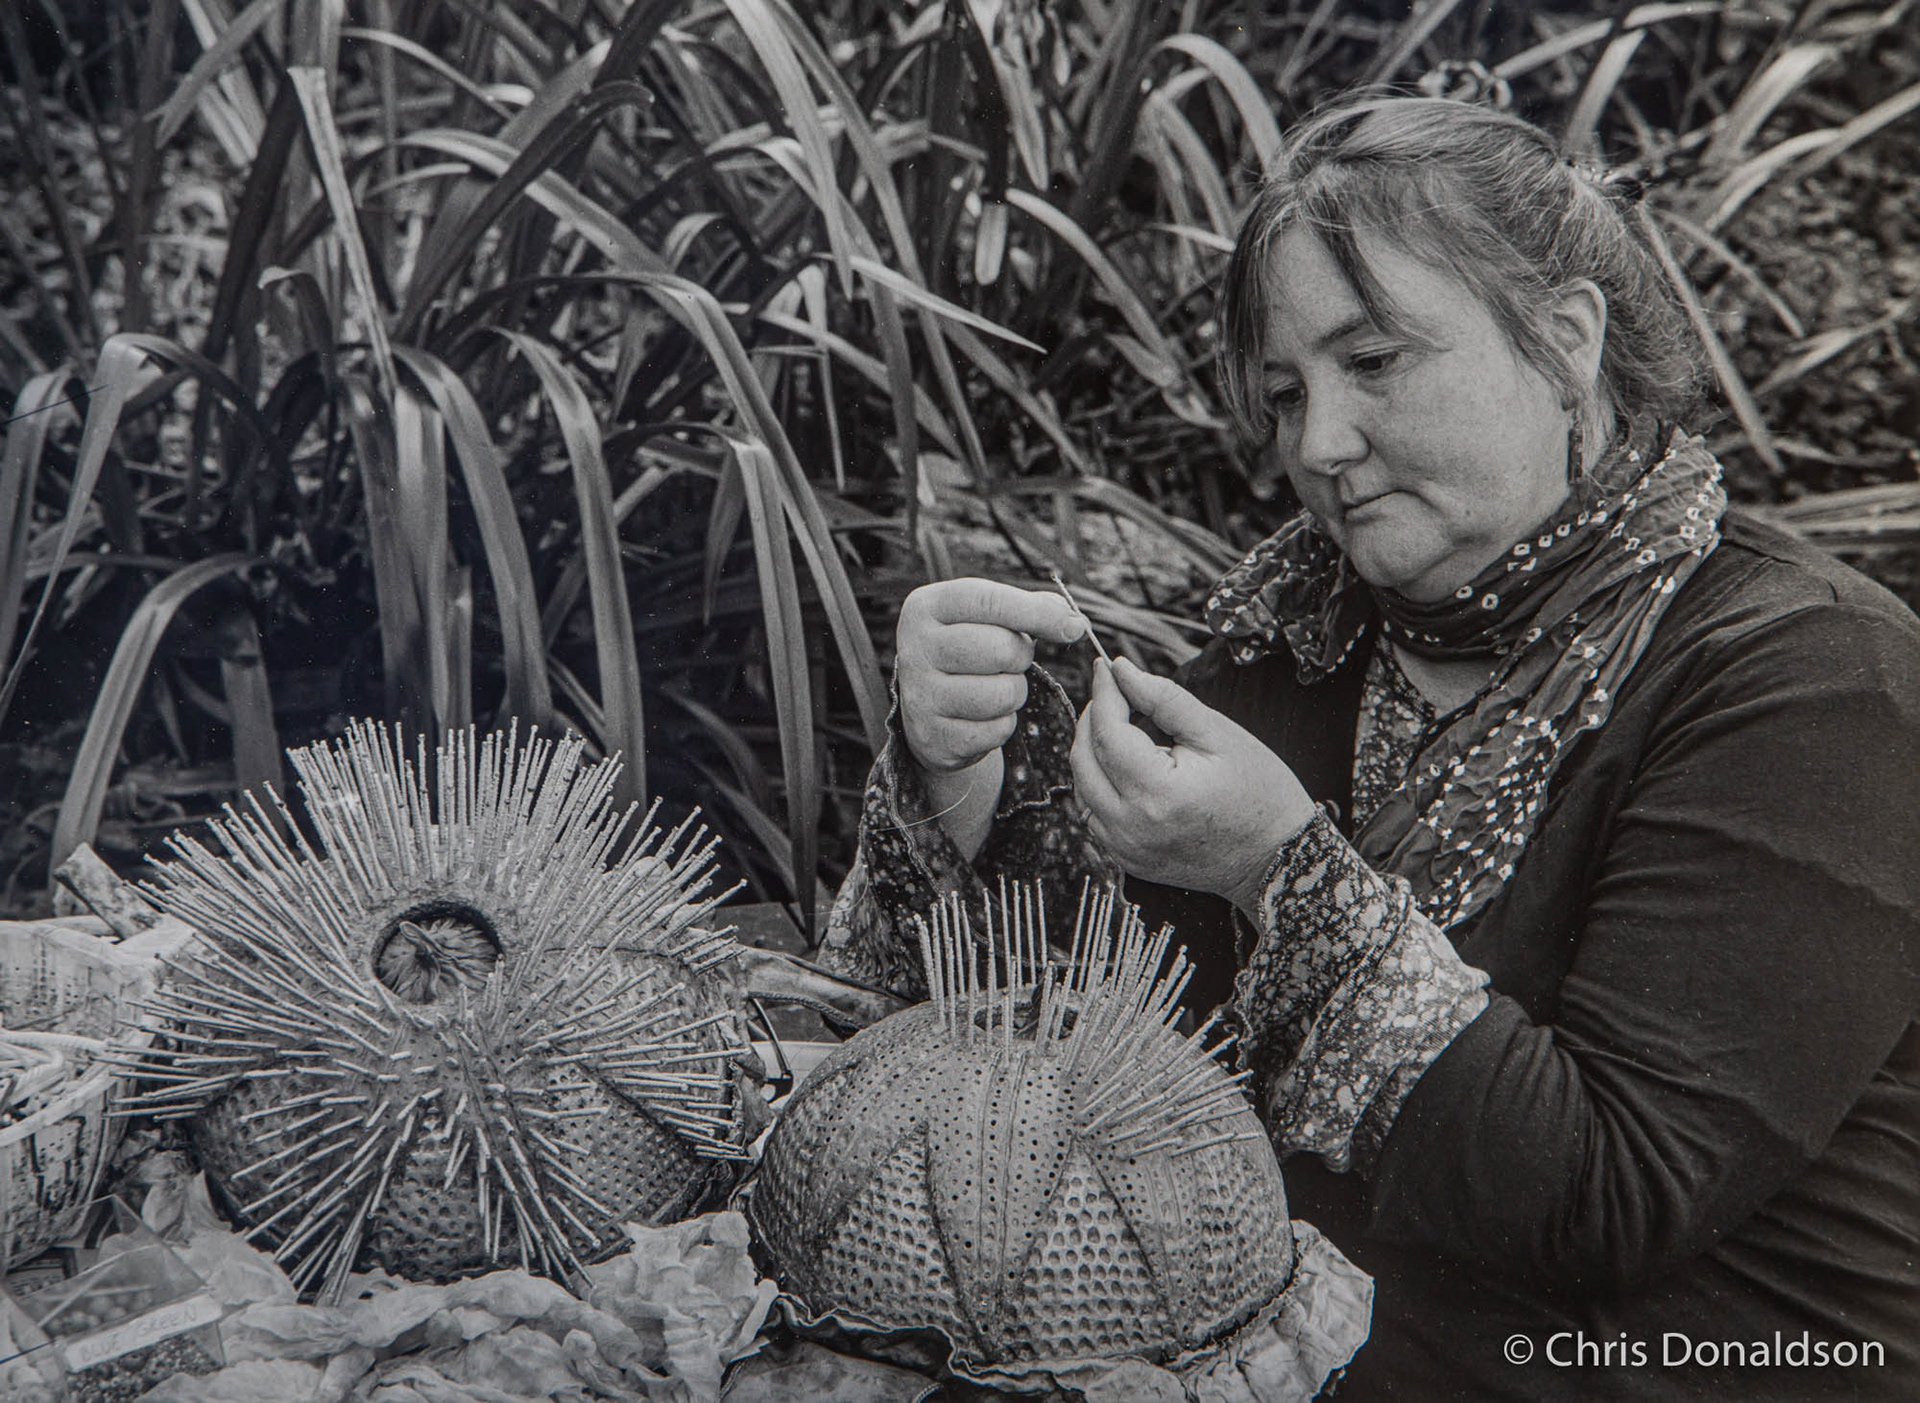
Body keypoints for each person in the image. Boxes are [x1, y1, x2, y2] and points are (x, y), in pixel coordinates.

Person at [819, 96, 1920, 1400]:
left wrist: (1283, 873)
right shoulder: (1286, 646)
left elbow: (1611, 1199)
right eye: (1285, 393)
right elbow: (1031, 1078)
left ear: (1566, 342)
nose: (1318, 445)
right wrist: (958, 784)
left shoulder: (1814, 678)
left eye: (1377, 362)